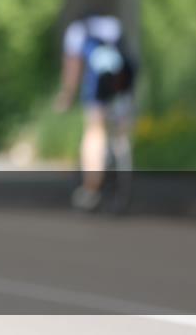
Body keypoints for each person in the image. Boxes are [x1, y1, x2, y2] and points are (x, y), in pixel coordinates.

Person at [54, 12, 136, 211]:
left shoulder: (76, 30)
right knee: (120, 130)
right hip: (122, 79)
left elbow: (73, 68)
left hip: (98, 81)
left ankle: (91, 188)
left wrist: (66, 96)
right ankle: (124, 168)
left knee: (94, 130)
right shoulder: (113, 24)